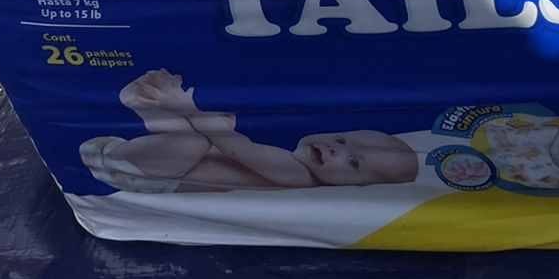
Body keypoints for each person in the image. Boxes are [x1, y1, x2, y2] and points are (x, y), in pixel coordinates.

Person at [80, 69, 418, 194]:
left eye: (353, 163)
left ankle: (153, 106)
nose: (335, 149)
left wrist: (189, 109)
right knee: (199, 142)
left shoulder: (298, 178)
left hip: (149, 177)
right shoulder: (293, 166)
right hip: (155, 166)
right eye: (342, 140)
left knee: (195, 141)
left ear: (357, 187)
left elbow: (236, 148)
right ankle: (152, 103)